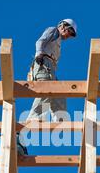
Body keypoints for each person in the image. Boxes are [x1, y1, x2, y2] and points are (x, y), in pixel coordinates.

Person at [17, 19, 77, 156]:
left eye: (71, 34)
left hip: (51, 69)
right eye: (69, 31)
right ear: (63, 25)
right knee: (45, 94)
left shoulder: (59, 42)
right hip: (43, 65)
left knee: (60, 92)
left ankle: (60, 119)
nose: (68, 36)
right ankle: (23, 128)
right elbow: (40, 41)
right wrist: (38, 54)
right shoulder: (53, 30)